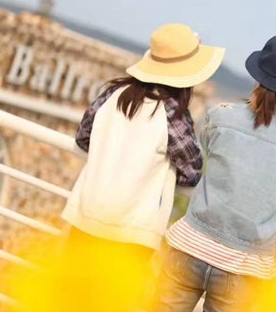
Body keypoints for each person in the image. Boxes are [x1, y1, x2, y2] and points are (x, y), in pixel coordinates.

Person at [141, 35, 276, 312]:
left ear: (257, 75)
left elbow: (207, 158)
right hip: (243, 268)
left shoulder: (220, 114)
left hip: (188, 246)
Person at [61, 23, 225, 254]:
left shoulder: (113, 94)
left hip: (86, 215)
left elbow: (83, 137)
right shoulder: (172, 114)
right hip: (132, 232)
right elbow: (192, 172)